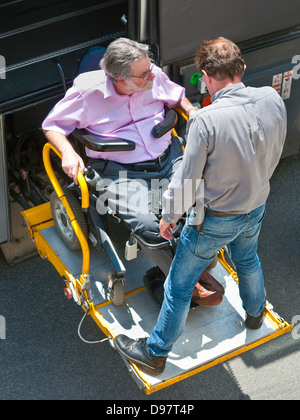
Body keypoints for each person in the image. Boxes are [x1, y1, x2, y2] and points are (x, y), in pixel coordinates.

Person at [113, 37, 287, 376]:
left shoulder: (205, 121)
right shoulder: (271, 98)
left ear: (205, 76)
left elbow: (187, 180)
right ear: (242, 69)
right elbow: (274, 149)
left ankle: (155, 352)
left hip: (215, 219)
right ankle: (254, 316)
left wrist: (168, 218)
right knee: (248, 259)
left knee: (178, 286)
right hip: (256, 206)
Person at [42, 37, 199, 278]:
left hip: (169, 158)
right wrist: (68, 153)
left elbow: (175, 95)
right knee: (150, 228)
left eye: (150, 69)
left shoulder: (151, 75)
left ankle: (198, 261)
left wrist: (191, 111)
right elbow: (52, 125)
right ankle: (182, 280)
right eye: (144, 75)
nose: (153, 76)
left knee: (199, 204)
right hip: (121, 172)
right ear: (120, 79)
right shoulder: (87, 92)